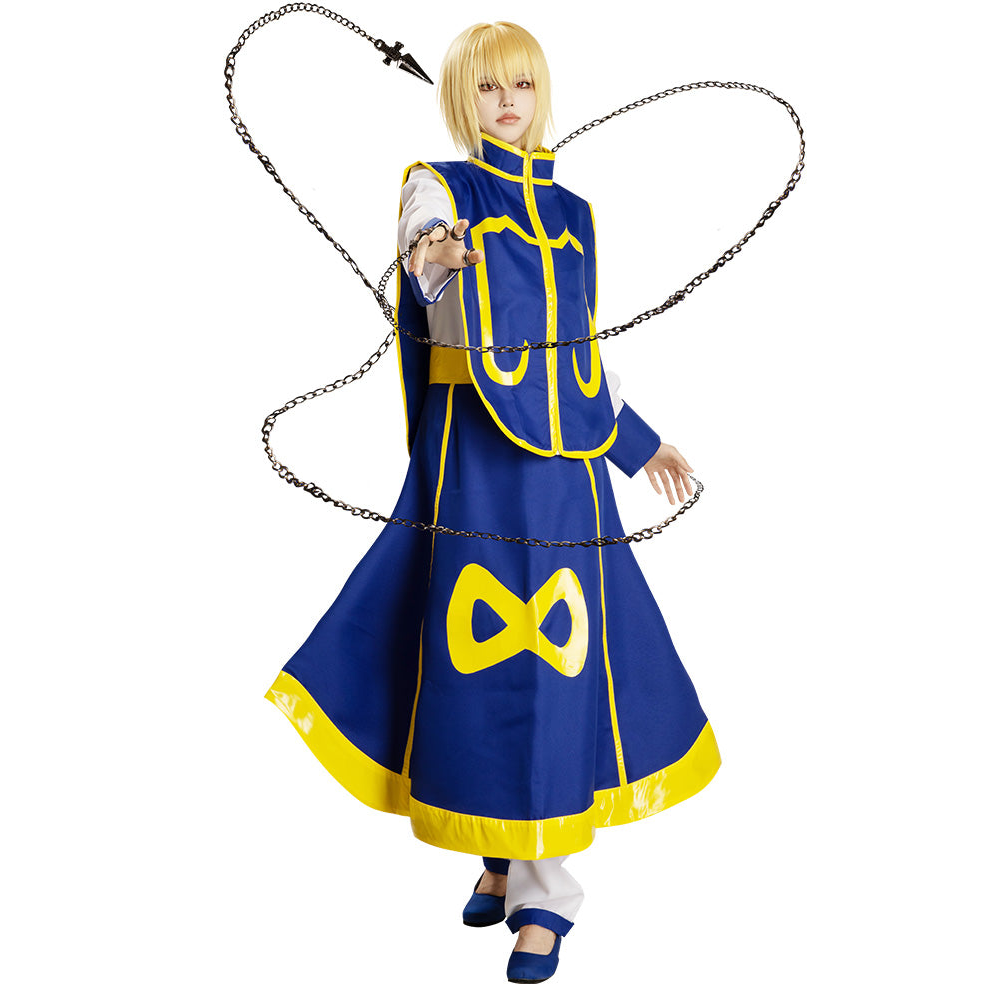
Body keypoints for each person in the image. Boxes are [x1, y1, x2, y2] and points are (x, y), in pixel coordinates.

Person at [264, 21, 721, 985]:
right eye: (486, 87)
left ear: (541, 92)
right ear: (459, 98)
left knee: (553, 668)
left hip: (562, 485)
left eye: (521, 84)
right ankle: (504, 854)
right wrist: (436, 250)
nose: (507, 102)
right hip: (471, 463)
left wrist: (640, 445)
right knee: (471, 667)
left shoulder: (575, 214)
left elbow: (581, 352)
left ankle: (547, 893)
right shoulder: (439, 188)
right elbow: (423, 252)